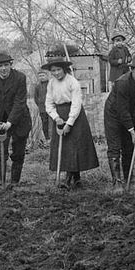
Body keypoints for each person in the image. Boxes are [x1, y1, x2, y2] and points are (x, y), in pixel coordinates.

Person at [44, 56, 99, 188]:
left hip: (75, 115)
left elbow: (76, 103)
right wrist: (56, 117)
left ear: (64, 69)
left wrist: (69, 122)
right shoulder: (51, 83)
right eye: (53, 71)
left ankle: (74, 178)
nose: (56, 73)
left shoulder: (72, 81)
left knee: (75, 146)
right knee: (64, 148)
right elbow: (49, 103)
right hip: (59, 115)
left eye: (58, 69)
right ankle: (71, 177)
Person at [103, 55, 135, 186]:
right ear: (132, 69)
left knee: (128, 146)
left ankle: (129, 176)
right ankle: (117, 182)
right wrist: (132, 132)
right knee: (115, 147)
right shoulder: (122, 82)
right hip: (113, 113)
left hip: (129, 111)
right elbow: (121, 111)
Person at [0, 51, 32, 186]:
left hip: (19, 119)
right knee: (0, 152)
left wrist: (10, 122)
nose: (3, 69)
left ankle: (14, 182)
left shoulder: (20, 78)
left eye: (5, 65)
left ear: (10, 65)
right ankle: (0, 183)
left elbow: (19, 102)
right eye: (0, 66)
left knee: (18, 152)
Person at [33, 69, 51, 140]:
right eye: (40, 76)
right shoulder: (37, 86)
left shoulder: (50, 85)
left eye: (43, 75)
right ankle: (47, 138)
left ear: (47, 76)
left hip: (51, 109)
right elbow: (36, 98)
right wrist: (40, 105)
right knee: (44, 124)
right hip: (42, 109)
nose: (41, 77)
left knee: (52, 124)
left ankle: (54, 138)